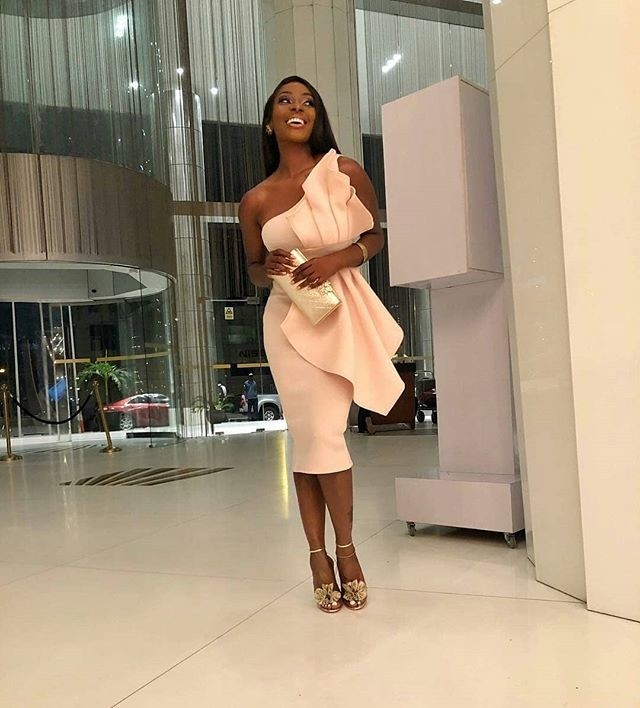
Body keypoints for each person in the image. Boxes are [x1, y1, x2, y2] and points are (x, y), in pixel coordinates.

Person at [239, 76, 403, 612]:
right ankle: (318, 556)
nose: (298, 108)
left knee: (327, 436)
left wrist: (337, 259)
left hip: (340, 310)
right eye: (286, 101)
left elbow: (374, 235)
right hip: (287, 322)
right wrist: (269, 266)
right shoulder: (256, 200)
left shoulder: (344, 171)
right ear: (270, 121)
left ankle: (346, 551)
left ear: (317, 117)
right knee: (308, 437)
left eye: (308, 102)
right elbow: (254, 270)